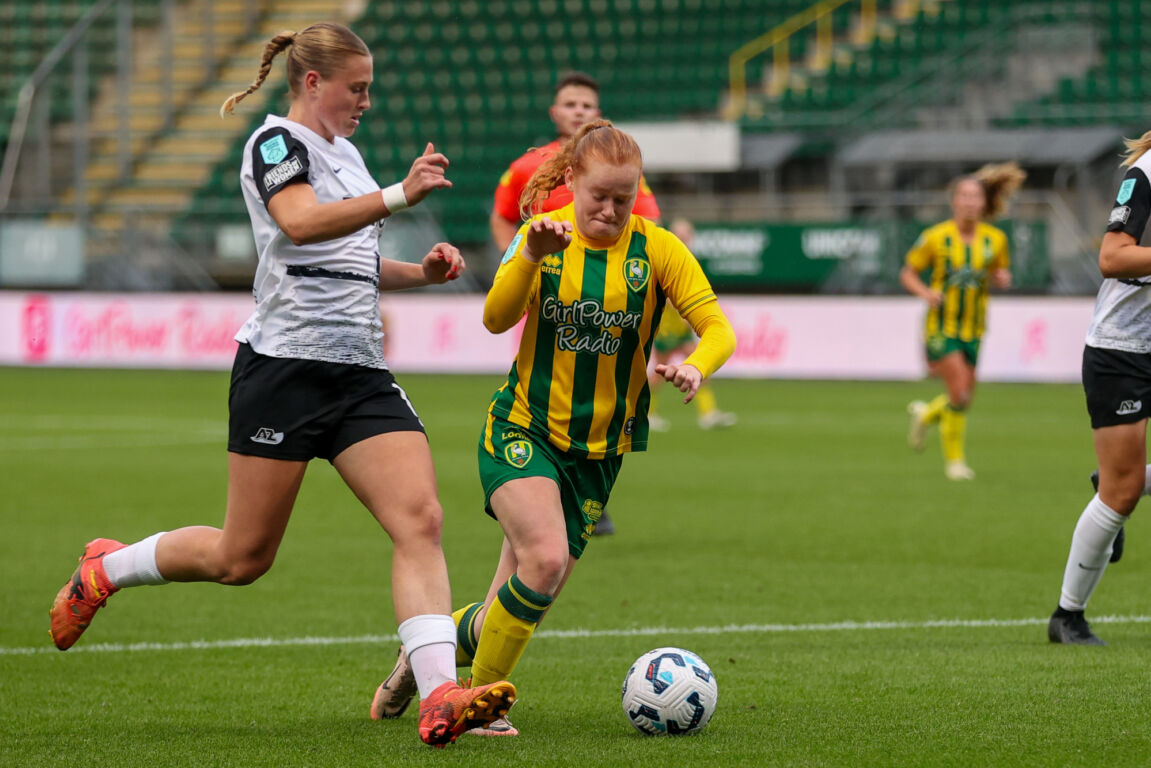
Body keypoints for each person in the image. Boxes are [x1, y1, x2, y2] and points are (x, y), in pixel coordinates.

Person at [47, 22, 514, 747]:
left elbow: (347, 260)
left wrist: (419, 274)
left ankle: (439, 697)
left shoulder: (348, 155)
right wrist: (398, 194)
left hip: (359, 374)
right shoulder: (274, 144)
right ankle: (107, 567)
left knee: (420, 519)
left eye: (369, 89)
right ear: (313, 82)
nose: (366, 101)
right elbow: (298, 224)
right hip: (284, 372)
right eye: (356, 88)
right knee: (242, 558)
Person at [371, 119, 737, 736]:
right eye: (600, 196)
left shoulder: (658, 249)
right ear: (572, 180)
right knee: (544, 561)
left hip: (599, 454)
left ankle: (422, 655)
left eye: (624, 198)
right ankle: (475, 703)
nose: (611, 210)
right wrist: (529, 256)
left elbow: (718, 327)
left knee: (518, 602)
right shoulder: (543, 237)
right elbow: (495, 318)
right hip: (524, 428)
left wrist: (697, 365)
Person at [491, 72, 662, 536]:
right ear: (555, 113)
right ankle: (534, 479)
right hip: (547, 288)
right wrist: (517, 261)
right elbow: (503, 216)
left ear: (597, 113)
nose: (579, 111)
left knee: (597, 384)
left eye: (586, 105)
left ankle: (580, 491)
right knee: (544, 380)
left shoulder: (618, 165)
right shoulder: (527, 165)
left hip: (603, 296)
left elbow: (649, 223)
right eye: (570, 104)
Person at [1048, 130, 1151, 645]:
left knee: (1125, 481)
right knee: (1121, 492)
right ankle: (1067, 616)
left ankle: (1124, 479)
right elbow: (1112, 257)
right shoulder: (1146, 173)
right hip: (1122, 350)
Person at [901, 163, 1025, 480]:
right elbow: (908, 273)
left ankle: (926, 414)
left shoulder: (995, 240)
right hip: (941, 326)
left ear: (984, 203)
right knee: (958, 392)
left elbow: (998, 273)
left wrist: (1001, 278)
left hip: (975, 327)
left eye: (975, 197)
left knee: (964, 398)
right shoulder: (935, 237)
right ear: (954, 201)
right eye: (964, 196)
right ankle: (954, 463)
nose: (970, 202)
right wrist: (926, 293)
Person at [647, 218, 738, 432]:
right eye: (683, 234)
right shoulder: (667, 254)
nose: (686, 238)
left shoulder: (685, 256)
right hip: (667, 329)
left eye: (688, 234)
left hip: (681, 330)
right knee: (659, 374)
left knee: (698, 366)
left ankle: (708, 413)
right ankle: (646, 413)